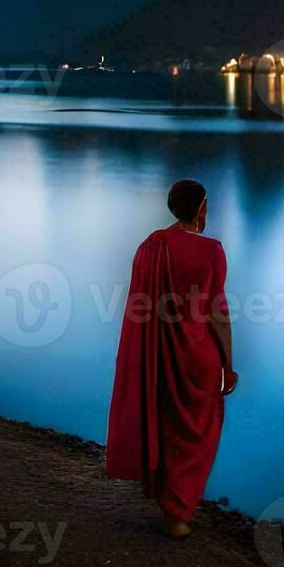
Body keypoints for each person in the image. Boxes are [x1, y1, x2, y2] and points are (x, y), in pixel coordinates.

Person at [105, 179, 238, 541]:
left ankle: (169, 503)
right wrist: (229, 363)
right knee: (198, 430)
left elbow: (140, 306)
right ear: (201, 209)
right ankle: (178, 510)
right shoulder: (212, 251)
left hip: (159, 355)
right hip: (199, 358)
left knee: (164, 422)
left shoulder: (152, 246)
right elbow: (217, 313)